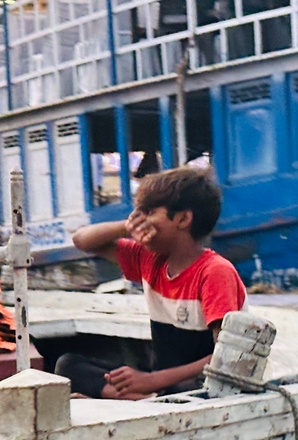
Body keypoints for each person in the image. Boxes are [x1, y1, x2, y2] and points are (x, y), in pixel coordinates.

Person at [56, 166, 246, 399]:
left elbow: (227, 357)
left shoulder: (214, 272)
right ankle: (142, 399)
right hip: (162, 381)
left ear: (182, 219)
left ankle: (134, 399)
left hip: (198, 384)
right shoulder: (148, 259)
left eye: (149, 213)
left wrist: (151, 380)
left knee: (183, 390)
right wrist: (126, 227)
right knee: (69, 365)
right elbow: (83, 240)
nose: (141, 221)